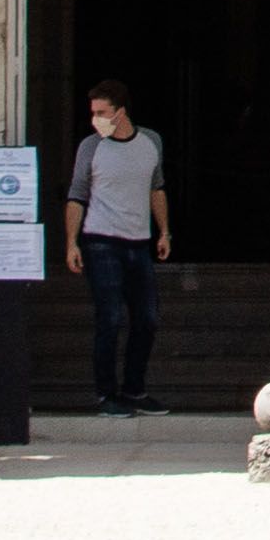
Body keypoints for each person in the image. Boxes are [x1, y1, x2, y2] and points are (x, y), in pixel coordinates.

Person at [69, 88, 169, 418]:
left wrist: (164, 231)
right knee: (109, 317)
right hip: (100, 240)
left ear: (120, 112)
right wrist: (71, 243)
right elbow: (77, 196)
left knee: (147, 318)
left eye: (101, 112)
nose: (95, 119)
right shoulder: (91, 146)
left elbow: (156, 187)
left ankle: (134, 389)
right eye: (93, 112)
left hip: (138, 241)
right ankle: (106, 394)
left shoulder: (150, 141)